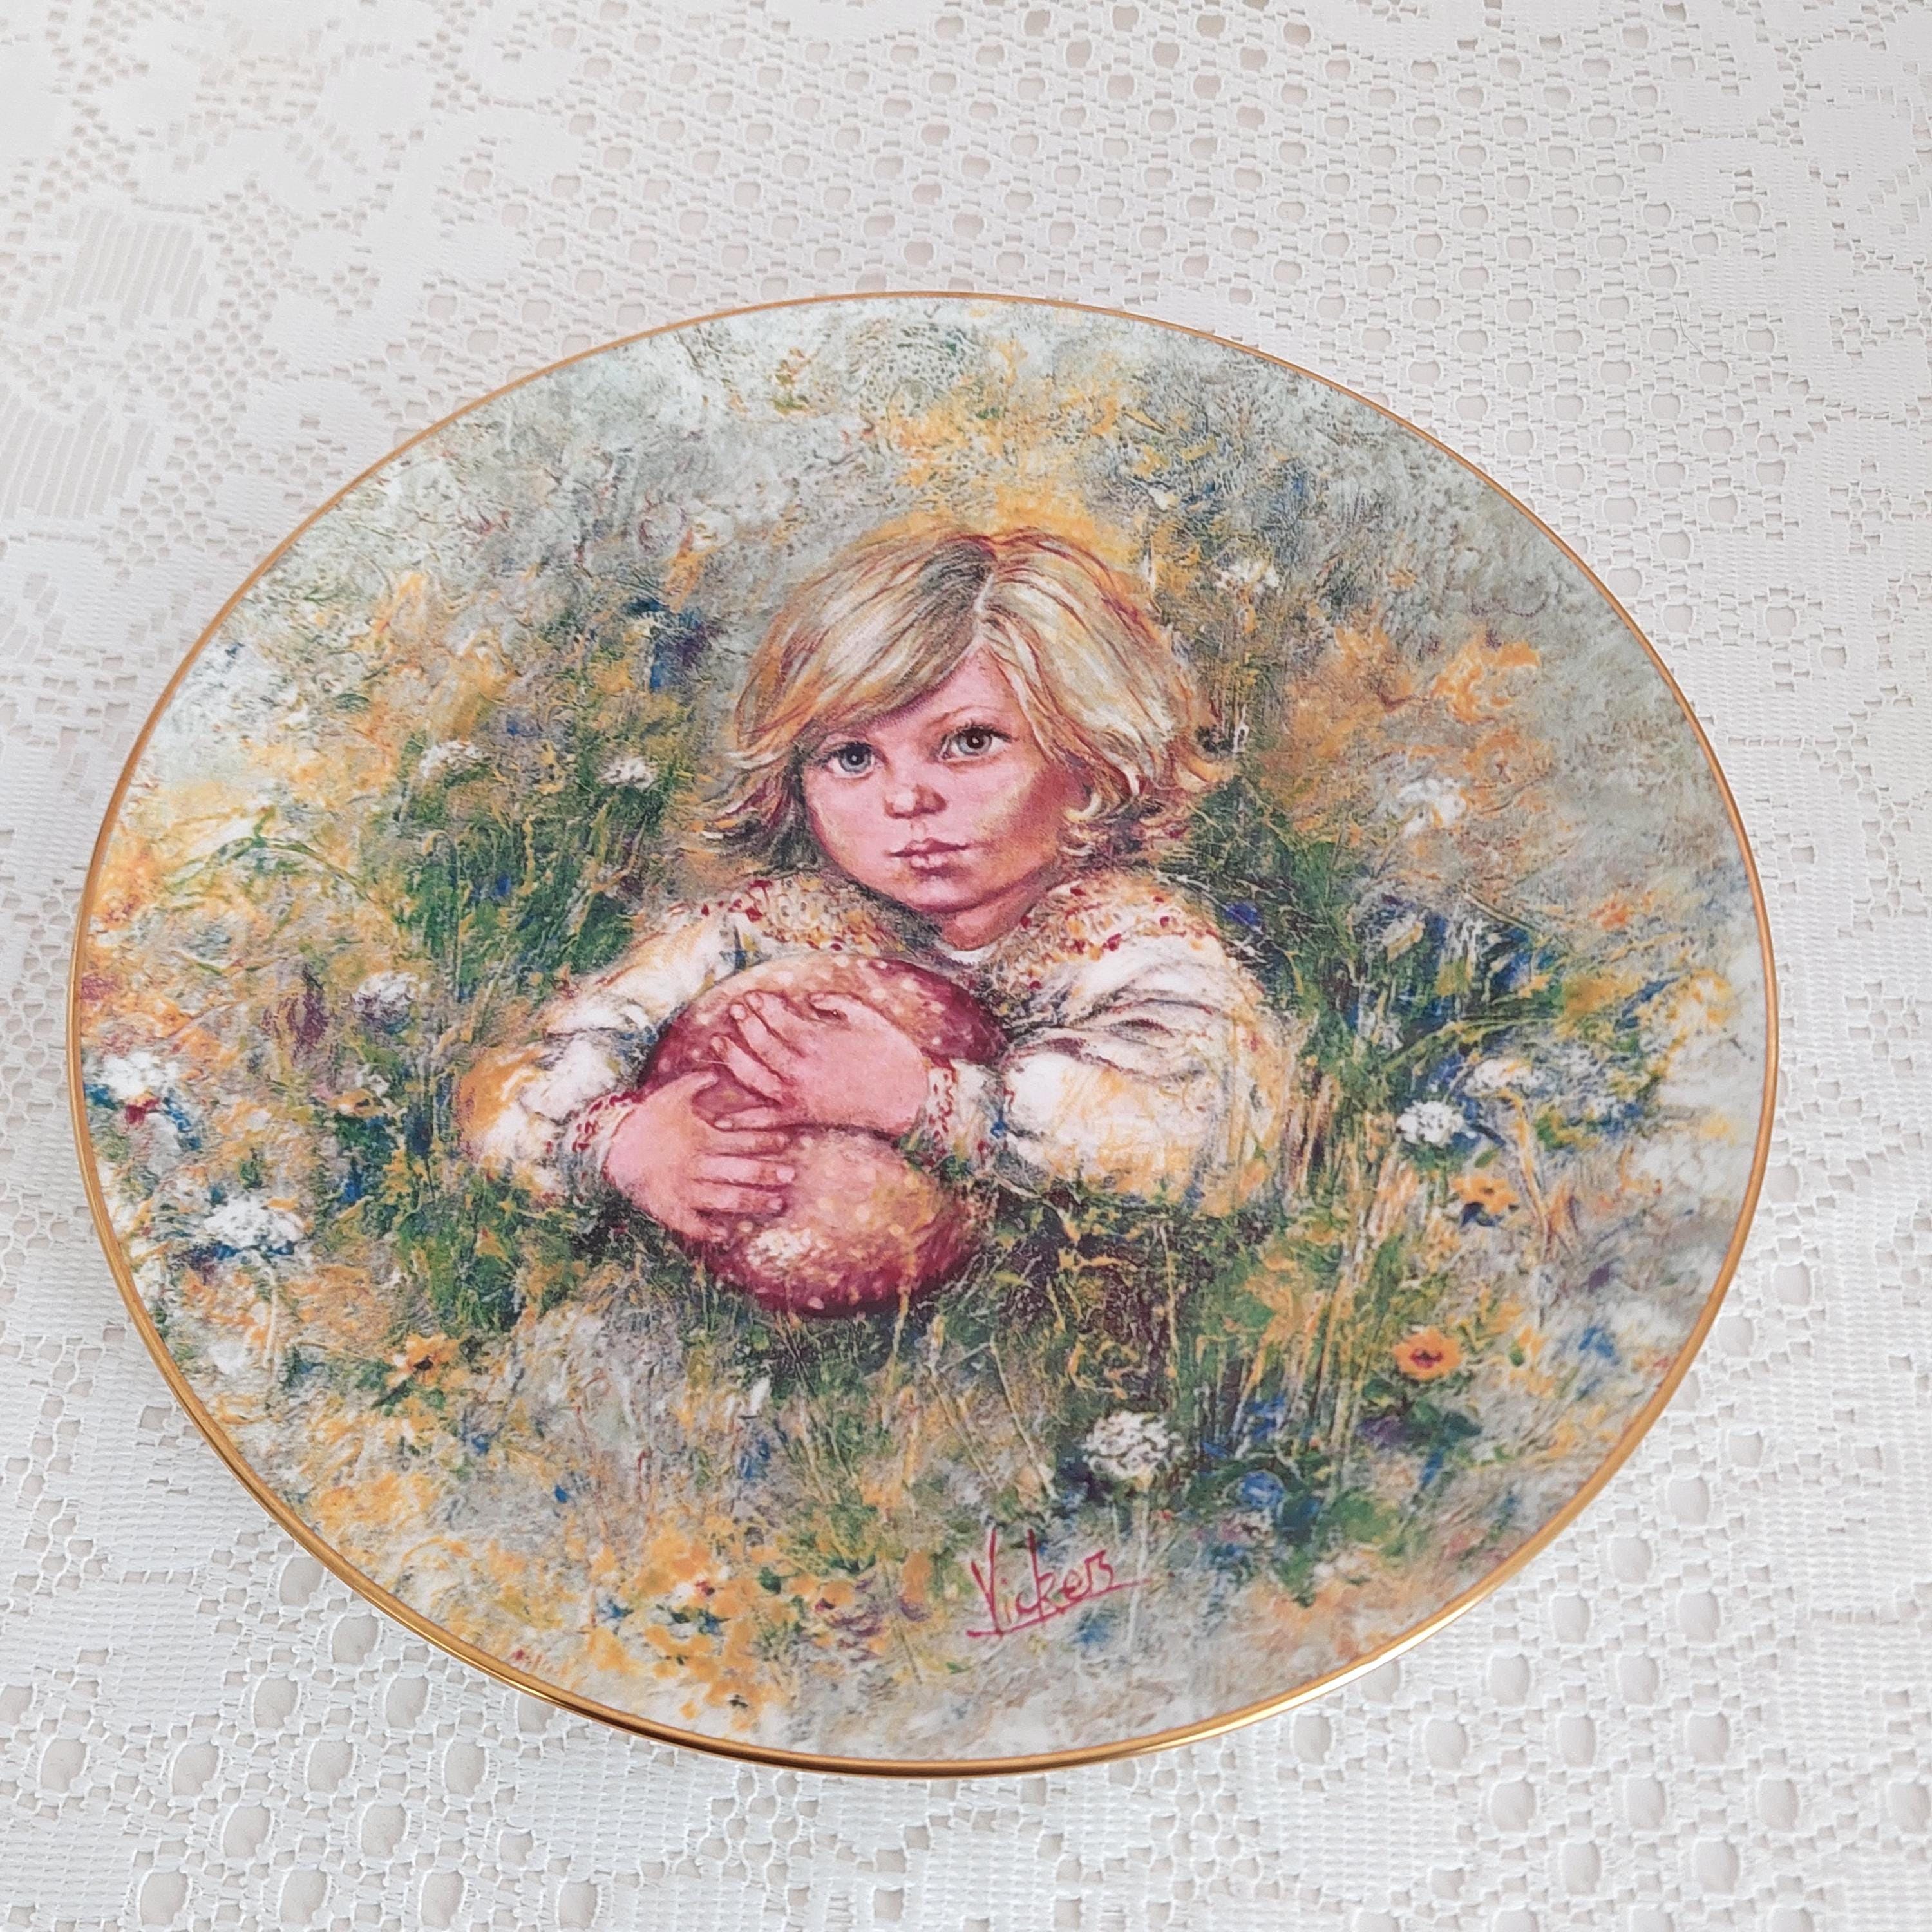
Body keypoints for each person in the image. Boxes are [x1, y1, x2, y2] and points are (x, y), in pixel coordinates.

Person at [457, 525, 1300, 1245]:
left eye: (970, 742)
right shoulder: (764, 929)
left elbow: (1211, 1140)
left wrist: (927, 1101)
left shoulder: (1134, 946)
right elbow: (522, 1083)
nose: (907, 799)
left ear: (1089, 758)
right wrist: (618, 1145)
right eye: (854, 757)